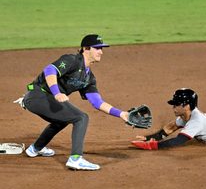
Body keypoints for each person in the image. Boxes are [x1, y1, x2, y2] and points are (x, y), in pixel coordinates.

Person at [21, 34, 131, 170]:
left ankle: (35, 148)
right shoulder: (72, 60)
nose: (101, 52)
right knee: (81, 117)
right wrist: (57, 93)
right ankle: (75, 159)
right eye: (97, 48)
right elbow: (49, 70)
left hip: (46, 99)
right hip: (37, 95)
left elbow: (97, 102)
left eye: (101, 48)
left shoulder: (89, 78)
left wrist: (121, 114)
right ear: (86, 48)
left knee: (62, 120)